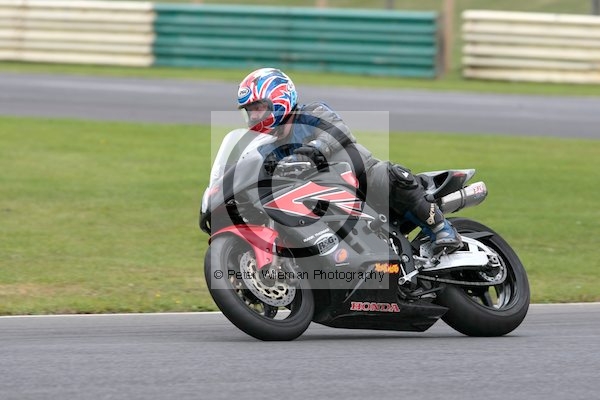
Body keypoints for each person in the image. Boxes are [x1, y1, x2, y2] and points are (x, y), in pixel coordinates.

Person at [237, 67, 462, 254]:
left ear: (280, 99)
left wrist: (317, 148)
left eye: (258, 108)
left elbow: (338, 130)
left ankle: (442, 228)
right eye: (250, 111)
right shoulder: (266, 148)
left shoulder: (311, 113)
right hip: (317, 198)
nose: (254, 116)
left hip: (359, 178)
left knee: (389, 175)